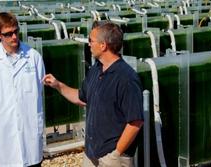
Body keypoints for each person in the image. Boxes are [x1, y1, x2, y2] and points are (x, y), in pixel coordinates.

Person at [43, 21, 144, 167]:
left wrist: (116, 154)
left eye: (91, 40)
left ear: (103, 45)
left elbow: (135, 122)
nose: (88, 44)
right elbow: (82, 98)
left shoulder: (126, 78)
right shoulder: (96, 69)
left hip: (112, 158)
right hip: (91, 155)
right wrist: (58, 85)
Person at [0, 12, 46, 167]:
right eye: (8, 34)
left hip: (30, 134)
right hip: (2, 135)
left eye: (15, 31)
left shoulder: (33, 57)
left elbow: (39, 88)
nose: (14, 37)